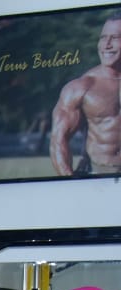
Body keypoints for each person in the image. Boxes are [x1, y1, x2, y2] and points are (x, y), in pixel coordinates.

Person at [49, 14, 121, 176]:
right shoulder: (81, 87)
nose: (107, 44)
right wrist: (70, 180)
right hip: (99, 174)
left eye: (115, 37)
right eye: (103, 38)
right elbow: (58, 140)